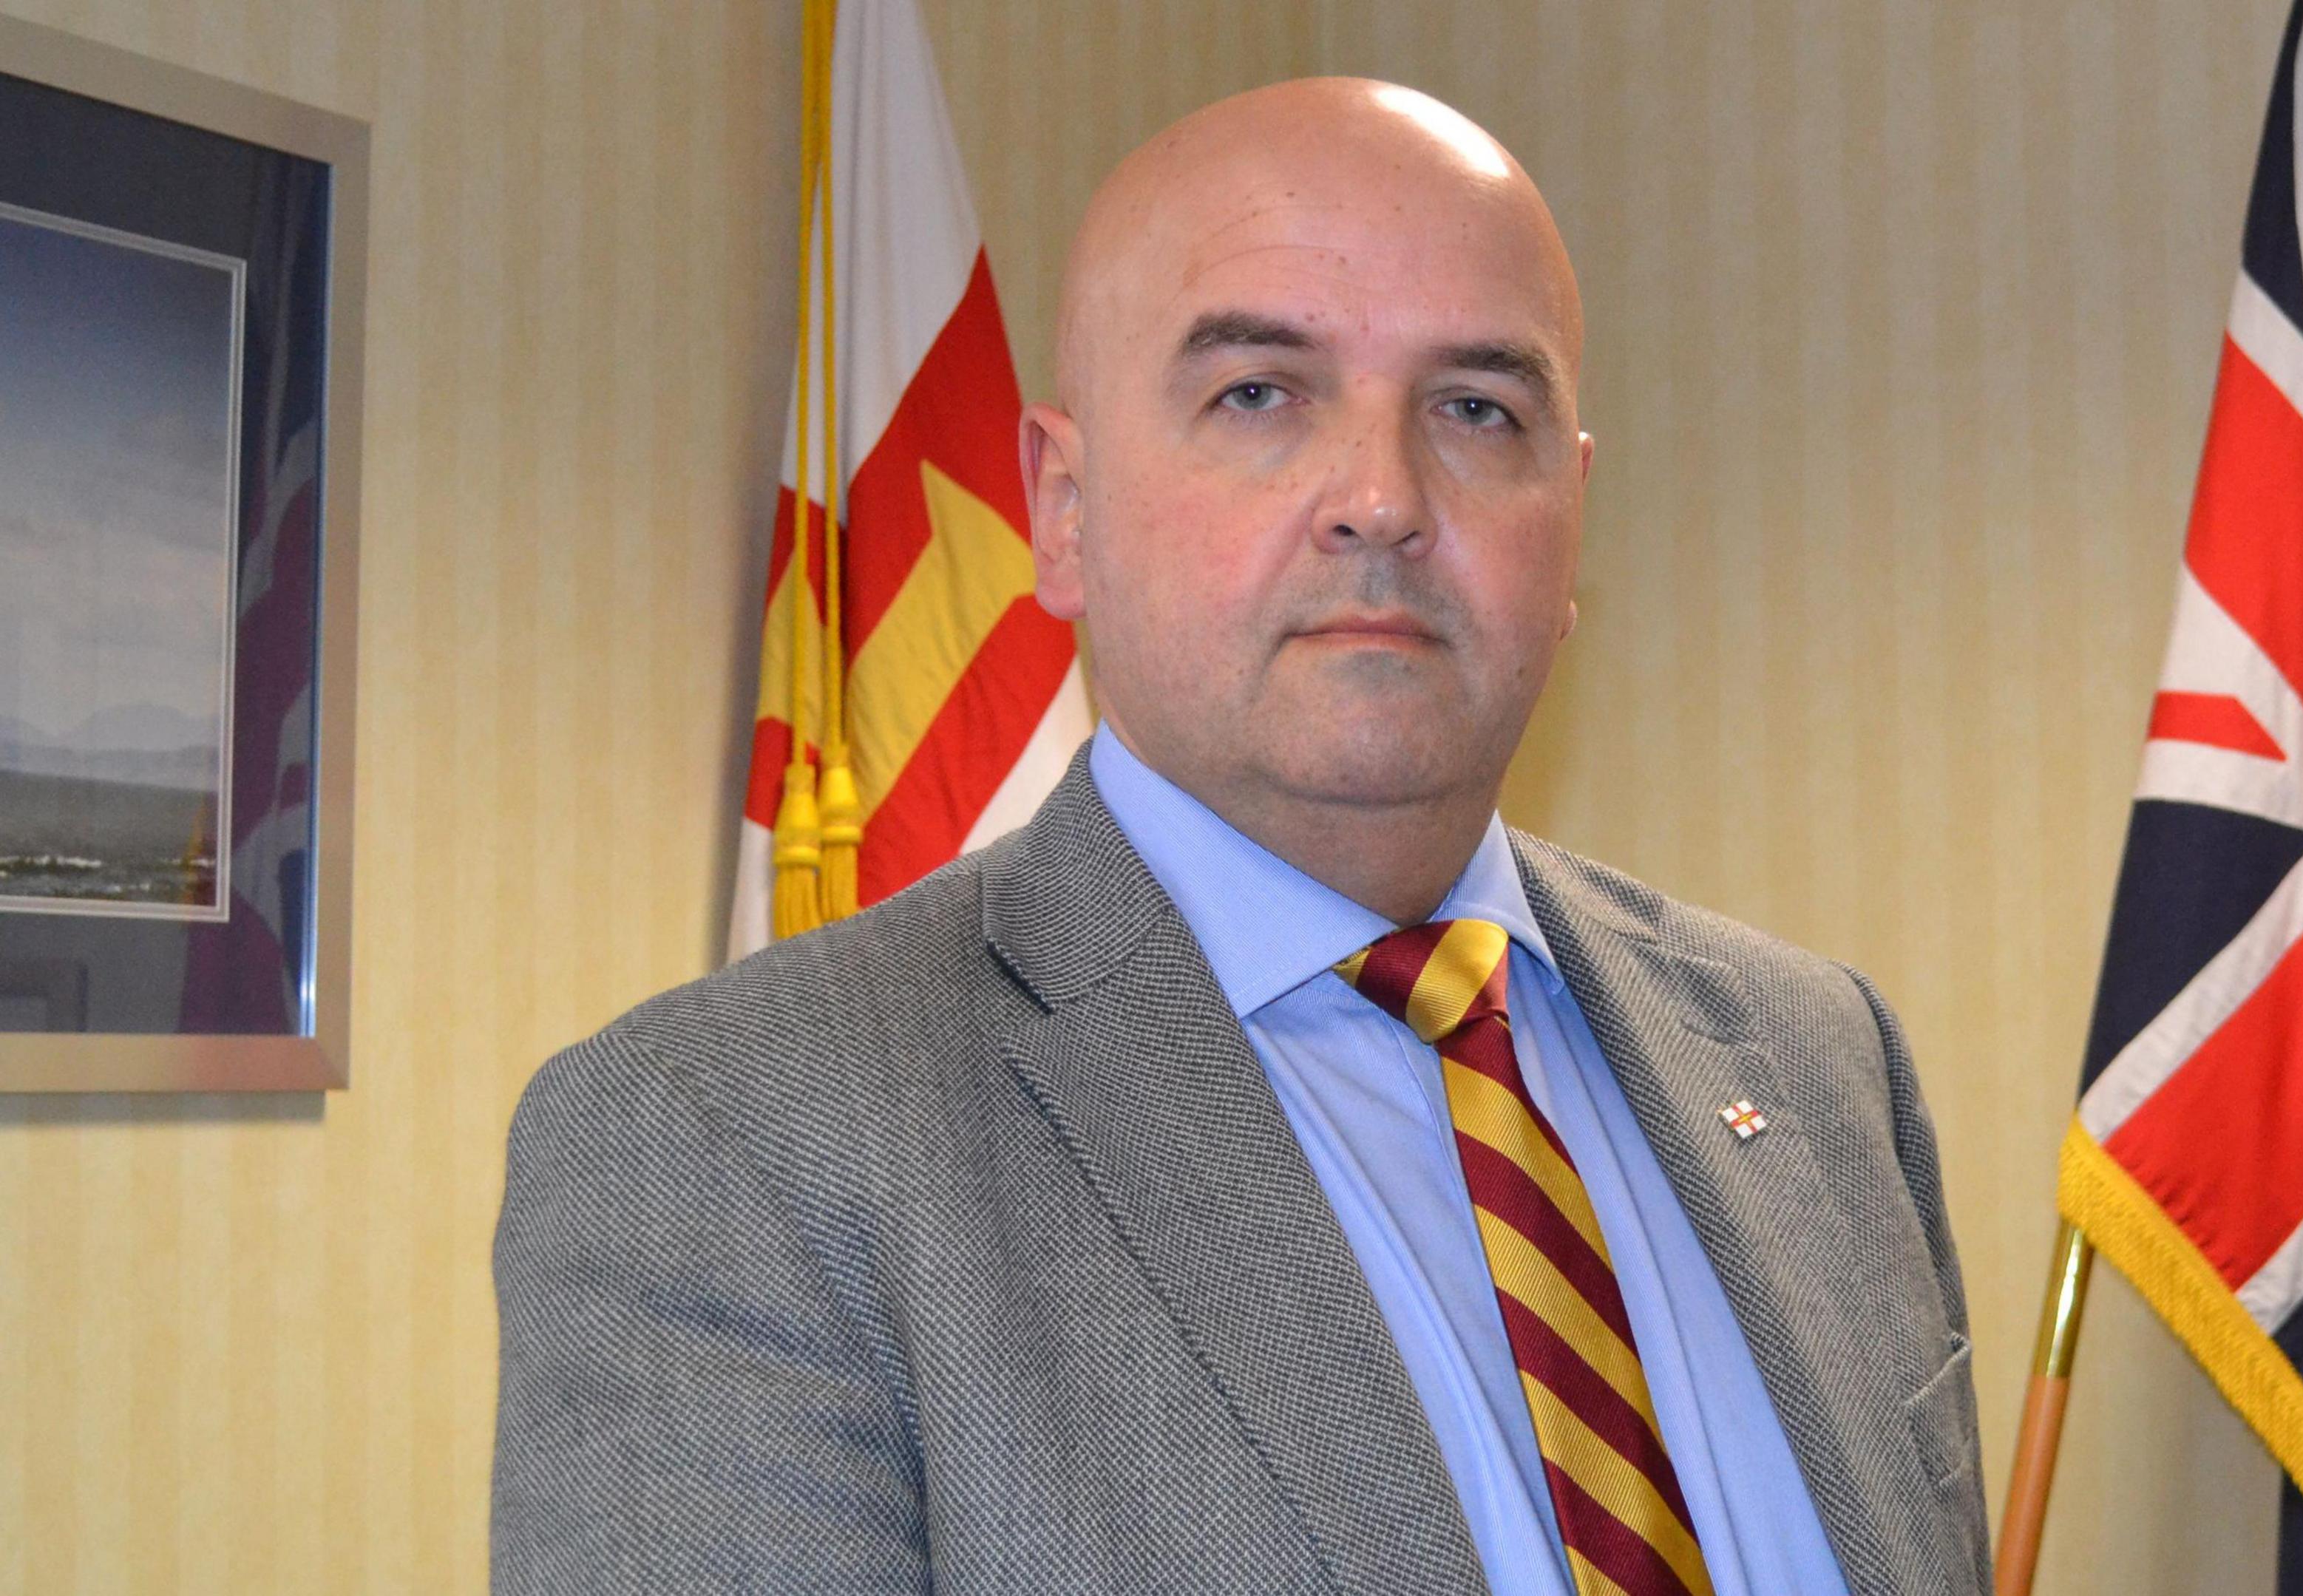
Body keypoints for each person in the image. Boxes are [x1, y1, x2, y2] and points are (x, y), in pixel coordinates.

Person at [492, 78, 1984, 1596]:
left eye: (1478, 409)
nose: (1383, 499)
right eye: (1261, 393)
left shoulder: (1818, 1065)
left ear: (1571, 514)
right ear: (1064, 512)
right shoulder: (730, 1143)